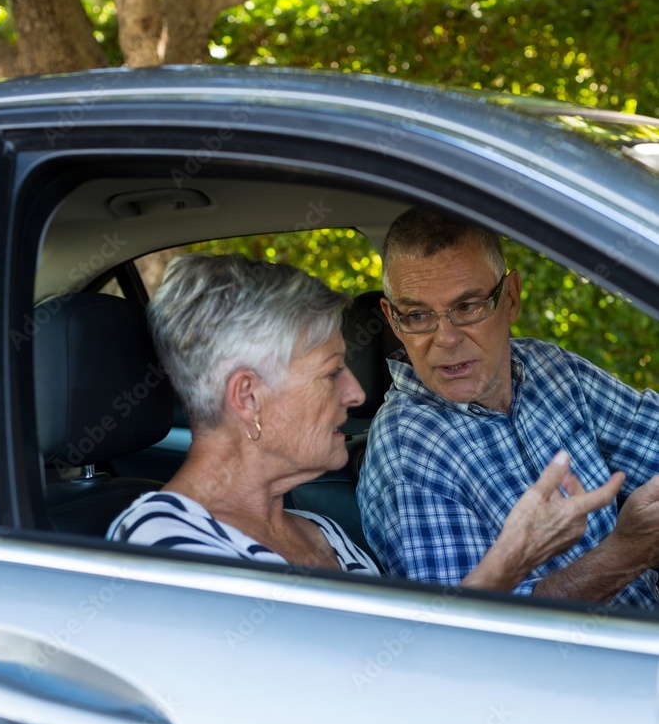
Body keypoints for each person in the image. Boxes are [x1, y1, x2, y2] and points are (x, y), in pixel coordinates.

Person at [107, 253, 622, 591]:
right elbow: (362, 711)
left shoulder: (321, 533)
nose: (355, 394)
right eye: (332, 374)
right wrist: (511, 558)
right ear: (248, 397)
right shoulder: (163, 548)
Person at [357, 206, 659, 607]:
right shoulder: (406, 450)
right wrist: (627, 552)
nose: (445, 338)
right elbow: (476, 632)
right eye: (417, 315)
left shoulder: (550, 369)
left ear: (510, 298)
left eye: (467, 307)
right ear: (393, 322)